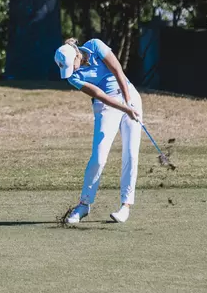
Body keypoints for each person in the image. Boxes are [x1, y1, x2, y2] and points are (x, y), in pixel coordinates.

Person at [54, 38, 143, 223]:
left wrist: (128, 102)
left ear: (77, 55)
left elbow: (117, 70)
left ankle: (125, 206)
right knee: (99, 156)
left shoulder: (95, 45)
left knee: (131, 153)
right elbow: (99, 94)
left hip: (128, 94)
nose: (74, 71)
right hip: (105, 105)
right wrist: (125, 108)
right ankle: (83, 205)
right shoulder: (73, 77)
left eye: (73, 65)